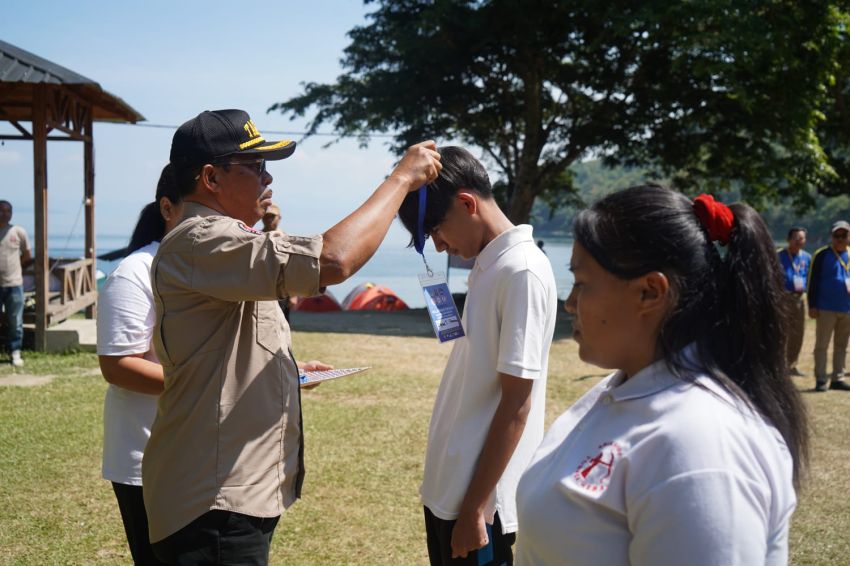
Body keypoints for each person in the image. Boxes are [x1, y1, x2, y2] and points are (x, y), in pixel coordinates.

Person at [142, 109, 441, 564]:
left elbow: (224, 347)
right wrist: (400, 180)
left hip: (225, 496)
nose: (268, 178)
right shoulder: (201, 239)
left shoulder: (223, 242)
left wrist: (286, 371)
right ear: (211, 178)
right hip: (213, 505)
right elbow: (333, 260)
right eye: (255, 166)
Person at [514, 187, 808, 565]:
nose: (570, 303)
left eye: (582, 283)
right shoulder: (624, 389)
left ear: (650, 292)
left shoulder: (700, 446)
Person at [398, 147, 558, 565]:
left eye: (435, 230)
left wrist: (475, 508)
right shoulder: (490, 265)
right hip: (451, 488)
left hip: (481, 504)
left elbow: (517, 403)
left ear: (467, 203)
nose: (439, 246)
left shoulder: (522, 270)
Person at [97, 164, 184, 565]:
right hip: (148, 458)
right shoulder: (137, 272)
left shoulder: (212, 270)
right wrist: (211, 382)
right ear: (168, 209)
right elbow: (119, 367)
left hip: (205, 455)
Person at [807, 220, 850, 392]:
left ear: (849, 237)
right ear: (831, 237)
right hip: (825, 307)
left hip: (847, 308)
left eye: (843, 235)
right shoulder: (821, 255)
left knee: (842, 346)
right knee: (822, 345)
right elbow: (812, 281)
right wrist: (812, 304)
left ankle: (838, 378)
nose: (840, 239)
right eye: (836, 235)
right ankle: (821, 379)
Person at [0, 200, 32, 367]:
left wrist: (16, 265)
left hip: (14, 283)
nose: (4, 214)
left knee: (15, 320)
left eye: (8, 211)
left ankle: (15, 351)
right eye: (1, 210)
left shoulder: (18, 232)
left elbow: (27, 254)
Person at [778, 227, 811, 376]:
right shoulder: (778, 255)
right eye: (795, 238)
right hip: (782, 297)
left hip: (799, 299)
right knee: (781, 332)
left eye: (801, 238)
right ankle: (779, 364)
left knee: (797, 333)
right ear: (788, 239)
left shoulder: (807, 257)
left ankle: (792, 365)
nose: (798, 241)